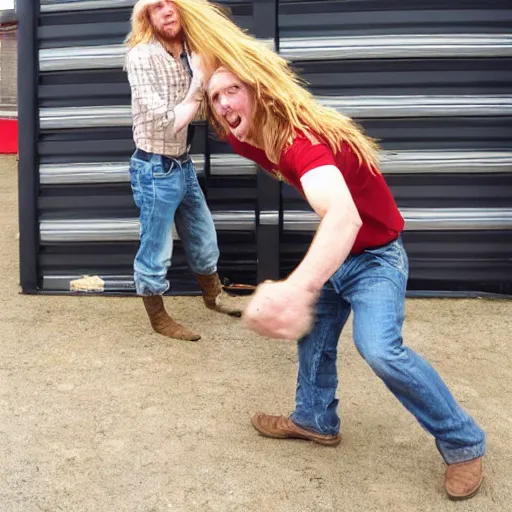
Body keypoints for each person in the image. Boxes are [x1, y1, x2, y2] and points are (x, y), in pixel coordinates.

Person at [203, 44, 486, 498]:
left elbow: (344, 217)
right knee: (313, 336)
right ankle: (314, 419)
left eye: (232, 91)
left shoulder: (301, 141)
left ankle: (464, 442)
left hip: (376, 255)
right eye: (214, 98)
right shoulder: (244, 135)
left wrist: (297, 288)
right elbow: (204, 65)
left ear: (260, 90)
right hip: (341, 252)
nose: (222, 106)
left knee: (379, 349)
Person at [124, 0, 244, 341]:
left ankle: (213, 296)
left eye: (171, 3)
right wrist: (198, 85)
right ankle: (158, 317)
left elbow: (207, 106)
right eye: (156, 6)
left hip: (182, 163)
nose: (166, 10)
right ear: (147, 16)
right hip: (154, 167)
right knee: (156, 247)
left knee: (203, 236)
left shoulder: (194, 53)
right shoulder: (141, 56)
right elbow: (169, 122)